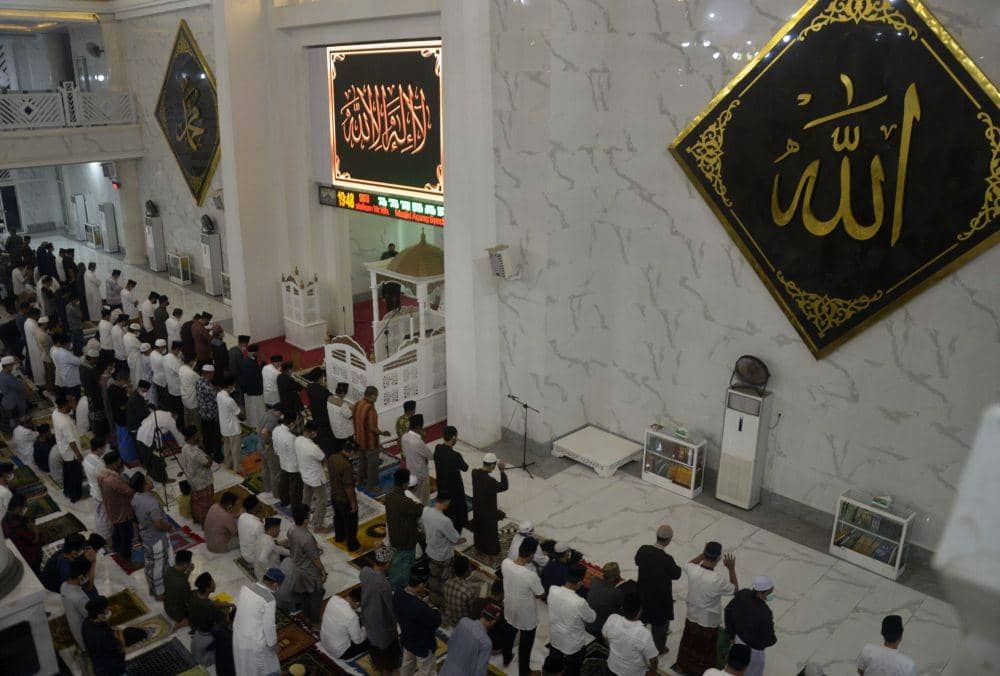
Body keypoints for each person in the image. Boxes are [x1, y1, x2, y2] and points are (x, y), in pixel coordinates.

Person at [674, 543, 738, 675]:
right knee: (706, 650)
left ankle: (682, 666)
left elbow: (688, 564)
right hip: (709, 622)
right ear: (719, 559)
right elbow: (735, 590)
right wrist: (731, 569)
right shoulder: (718, 580)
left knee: (687, 643)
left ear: (704, 554)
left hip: (691, 616)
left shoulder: (693, 570)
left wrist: (702, 554)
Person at [635, 524, 682, 653]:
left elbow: (637, 561)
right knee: (660, 625)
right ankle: (659, 648)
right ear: (668, 540)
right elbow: (677, 574)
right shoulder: (667, 559)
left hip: (643, 593)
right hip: (660, 599)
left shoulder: (643, 550)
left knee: (641, 619)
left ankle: (637, 641)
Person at [502, 536, 545, 674]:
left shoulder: (505, 563)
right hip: (526, 616)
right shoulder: (530, 575)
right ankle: (524, 672)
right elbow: (540, 593)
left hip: (509, 609)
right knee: (525, 646)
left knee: (509, 635)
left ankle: (506, 658)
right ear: (531, 555)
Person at [232, 567, 284, 676]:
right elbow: (269, 627)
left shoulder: (246, 587)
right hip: (254, 643)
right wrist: (273, 645)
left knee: (244, 667)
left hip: (238, 635)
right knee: (266, 667)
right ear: (275, 585)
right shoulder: (269, 600)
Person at [130, 471, 173, 599]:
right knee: (158, 566)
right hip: (156, 538)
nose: (150, 480)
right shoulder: (151, 503)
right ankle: (159, 592)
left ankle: (154, 588)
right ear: (144, 485)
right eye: (148, 479)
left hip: (146, 535)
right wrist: (169, 527)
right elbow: (158, 524)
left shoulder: (136, 497)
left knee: (151, 563)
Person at [549, 564, 597, 676]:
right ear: (580, 582)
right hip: (573, 646)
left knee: (556, 667)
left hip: (555, 637)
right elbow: (592, 618)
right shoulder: (579, 602)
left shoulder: (553, 590)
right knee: (573, 671)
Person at [360, 545, 402, 675]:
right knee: (389, 661)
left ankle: (376, 665)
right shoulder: (383, 585)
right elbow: (391, 609)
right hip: (383, 628)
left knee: (374, 647)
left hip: (368, 620)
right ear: (387, 564)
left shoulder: (365, 572)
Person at [723, 576, 777, 676]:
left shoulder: (743, 594)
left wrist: (731, 635)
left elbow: (728, 610)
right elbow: (770, 639)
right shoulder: (765, 613)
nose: (770, 594)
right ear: (762, 593)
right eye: (769, 592)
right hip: (754, 651)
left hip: (738, 641)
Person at [395, 570, 442, 676]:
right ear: (420, 584)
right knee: (427, 671)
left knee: (407, 665)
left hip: (407, 638)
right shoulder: (419, 608)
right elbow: (436, 621)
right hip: (422, 645)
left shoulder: (399, 592)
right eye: (425, 584)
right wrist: (434, 609)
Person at [422, 492, 466, 604]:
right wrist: (463, 539)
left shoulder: (426, 511)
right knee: (444, 581)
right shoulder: (444, 521)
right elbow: (455, 539)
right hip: (443, 556)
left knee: (433, 578)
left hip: (430, 551)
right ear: (446, 502)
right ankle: (442, 603)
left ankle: (432, 599)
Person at [288, 502, 328, 626]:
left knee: (304, 594)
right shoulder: (307, 537)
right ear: (306, 520)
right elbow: (316, 560)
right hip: (309, 572)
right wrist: (323, 571)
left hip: (297, 567)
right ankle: (315, 621)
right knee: (316, 595)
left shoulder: (291, 530)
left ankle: (306, 614)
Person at [385, 468, 424, 586]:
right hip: (405, 540)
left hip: (394, 535)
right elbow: (419, 510)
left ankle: (394, 582)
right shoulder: (404, 501)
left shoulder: (389, 495)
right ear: (405, 484)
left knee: (396, 562)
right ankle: (398, 588)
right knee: (402, 568)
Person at [188, 572, 235, 671]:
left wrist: (224, 604)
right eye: (213, 582)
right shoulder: (210, 609)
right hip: (205, 658)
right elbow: (225, 620)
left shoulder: (194, 594)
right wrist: (228, 615)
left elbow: (210, 603)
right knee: (230, 634)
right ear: (208, 588)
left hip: (196, 627)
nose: (215, 583)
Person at [605, 593, 660, 676]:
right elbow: (653, 659)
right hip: (633, 673)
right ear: (640, 611)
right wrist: (653, 673)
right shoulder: (644, 634)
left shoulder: (612, 619)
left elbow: (605, 638)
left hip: (612, 667)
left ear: (622, 608)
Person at [441, 599, 500, 676]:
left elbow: (450, 643)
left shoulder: (463, 621)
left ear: (482, 613)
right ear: (493, 622)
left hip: (445, 670)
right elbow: (479, 673)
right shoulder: (486, 643)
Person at [98, 451, 135, 561]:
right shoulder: (113, 479)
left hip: (111, 507)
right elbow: (128, 491)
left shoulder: (101, 475)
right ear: (115, 463)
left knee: (118, 530)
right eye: (119, 462)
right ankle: (126, 558)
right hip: (121, 511)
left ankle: (116, 547)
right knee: (127, 534)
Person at [354, 385, 390, 491]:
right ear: (372, 395)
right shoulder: (370, 408)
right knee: (372, 464)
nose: (377, 398)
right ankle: (372, 486)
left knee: (362, 462)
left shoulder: (358, 404)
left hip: (359, 439)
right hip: (370, 442)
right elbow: (372, 428)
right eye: (376, 396)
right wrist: (383, 433)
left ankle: (360, 481)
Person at [472, 453, 509, 556]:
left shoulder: (474, 473)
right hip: (488, 512)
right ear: (493, 466)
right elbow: (504, 486)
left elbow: (479, 470)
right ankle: (492, 551)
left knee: (479, 530)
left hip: (477, 509)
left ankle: (479, 547)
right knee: (490, 533)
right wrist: (502, 471)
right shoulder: (490, 481)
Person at [295, 421, 330, 532]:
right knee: (322, 500)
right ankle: (317, 524)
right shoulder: (313, 447)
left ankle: (303, 519)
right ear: (313, 432)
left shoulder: (298, 440)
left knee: (306, 499)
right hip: (316, 478)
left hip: (305, 475)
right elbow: (323, 458)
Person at [136, 405, 183, 484]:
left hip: (141, 434)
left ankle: (152, 472)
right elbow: (177, 435)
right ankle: (162, 479)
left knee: (149, 457)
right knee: (156, 460)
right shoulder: (169, 419)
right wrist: (184, 446)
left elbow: (160, 432)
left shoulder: (159, 414)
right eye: (176, 417)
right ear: (173, 414)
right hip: (147, 439)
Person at [82, 596, 128, 676]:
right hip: (113, 670)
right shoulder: (104, 636)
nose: (109, 612)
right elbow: (121, 651)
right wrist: (120, 635)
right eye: (106, 610)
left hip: (98, 667)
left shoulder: (86, 623)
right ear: (99, 615)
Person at [433, 425, 468, 531]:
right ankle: (454, 536)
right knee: (457, 513)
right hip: (454, 488)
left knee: (446, 511)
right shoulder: (455, 455)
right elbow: (465, 467)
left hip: (441, 485)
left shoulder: (438, 448)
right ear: (453, 438)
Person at [327, 438, 360, 550]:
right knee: (351, 523)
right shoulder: (346, 465)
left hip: (334, 495)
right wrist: (353, 503)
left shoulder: (332, 457)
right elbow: (348, 487)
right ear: (351, 452)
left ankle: (340, 537)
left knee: (338, 518)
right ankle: (352, 545)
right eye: (355, 453)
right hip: (344, 499)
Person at [319, 587, 368, 660]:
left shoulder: (333, 599)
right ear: (358, 603)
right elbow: (358, 641)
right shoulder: (352, 616)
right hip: (341, 652)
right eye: (360, 605)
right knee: (373, 641)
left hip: (324, 642)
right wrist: (366, 627)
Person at [53, 393, 84, 501]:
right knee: (76, 476)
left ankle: (67, 491)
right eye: (70, 402)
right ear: (65, 405)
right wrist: (79, 455)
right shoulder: (65, 423)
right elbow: (72, 442)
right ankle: (75, 496)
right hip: (71, 454)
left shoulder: (55, 412)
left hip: (64, 451)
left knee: (67, 473)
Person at [180, 426, 214, 524]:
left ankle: (197, 517)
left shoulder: (184, 448)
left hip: (192, 479)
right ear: (194, 436)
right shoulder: (195, 452)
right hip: (203, 481)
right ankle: (206, 522)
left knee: (197, 501)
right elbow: (208, 463)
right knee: (206, 502)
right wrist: (209, 456)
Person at [2, 493, 42, 573]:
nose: (25, 508)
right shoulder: (18, 526)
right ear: (17, 508)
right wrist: (35, 530)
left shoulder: (4, 516)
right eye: (24, 506)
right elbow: (34, 540)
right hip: (26, 556)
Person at [82, 435, 111, 540]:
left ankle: (102, 534)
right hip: (101, 493)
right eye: (104, 447)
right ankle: (105, 538)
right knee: (105, 518)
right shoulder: (99, 464)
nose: (105, 449)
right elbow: (105, 481)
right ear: (99, 448)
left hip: (93, 490)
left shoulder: (86, 458)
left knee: (99, 514)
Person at [400, 414, 433, 504]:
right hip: (421, 473)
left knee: (413, 496)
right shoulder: (418, 442)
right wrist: (422, 438)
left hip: (410, 470)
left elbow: (405, 454)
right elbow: (430, 456)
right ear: (419, 427)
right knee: (424, 499)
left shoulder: (404, 437)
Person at [273, 414, 302, 508]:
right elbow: (295, 453)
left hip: (283, 461)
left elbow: (275, 448)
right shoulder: (290, 437)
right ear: (292, 424)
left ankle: (284, 501)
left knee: (284, 484)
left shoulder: (276, 430)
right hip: (293, 466)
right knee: (295, 488)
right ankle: (295, 505)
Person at [442, 554, 478, 627]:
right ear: (467, 571)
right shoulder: (468, 591)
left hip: (450, 619)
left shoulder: (447, 582)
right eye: (470, 566)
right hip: (463, 624)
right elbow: (473, 612)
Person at [217, 377, 243, 473]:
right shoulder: (229, 400)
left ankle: (228, 463)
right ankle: (237, 467)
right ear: (230, 386)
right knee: (235, 449)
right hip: (233, 428)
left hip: (224, 427)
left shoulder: (219, 395)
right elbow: (238, 412)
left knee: (227, 447)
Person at [257, 404, 284, 496]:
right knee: (274, 471)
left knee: (264, 468)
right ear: (279, 411)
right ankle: (276, 493)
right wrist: (268, 443)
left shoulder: (266, 413)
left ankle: (267, 488)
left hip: (260, 445)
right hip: (268, 447)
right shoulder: (273, 419)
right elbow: (264, 432)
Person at [197, 364, 221, 461]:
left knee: (206, 435)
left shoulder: (200, 381)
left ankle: (208, 451)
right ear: (209, 374)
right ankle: (217, 456)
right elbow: (215, 397)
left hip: (203, 413)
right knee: (215, 436)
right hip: (211, 415)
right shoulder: (207, 385)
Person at [163, 550, 195, 624]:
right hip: (178, 614)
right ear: (185, 564)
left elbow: (181, 578)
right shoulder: (183, 584)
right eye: (189, 562)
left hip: (168, 606)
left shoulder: (169, 571)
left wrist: (188, 571)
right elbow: (187, 600)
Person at [238, 344, 264, 429]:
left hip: (248, 391)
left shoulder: (245, 361)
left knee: (251, 409)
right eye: (257, 352)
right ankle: (257, 425)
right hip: (254, 391)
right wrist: (261, 367)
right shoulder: (250, 363)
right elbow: (255, 375)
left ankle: (253, 424)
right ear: (254, 353)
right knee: (256, 409)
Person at [51, 333, 82, 399]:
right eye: (69, 343)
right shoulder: (65, 353)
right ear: (65, 343)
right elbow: (79, 361)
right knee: (74, 399)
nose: (70, 344)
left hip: (63, 378)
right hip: (71, 381)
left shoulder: (54, 350)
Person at [237, 495, 264, 566]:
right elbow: (263, 545)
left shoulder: (241, 516)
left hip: (244, 553)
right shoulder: (258, 525)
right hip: (253, 558)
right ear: (255, 507)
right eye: (258, 504)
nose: (260, 504)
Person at [327, 381, 354, 449]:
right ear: (342, 393)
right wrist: (353, 409)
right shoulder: (342, 404)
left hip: (335, 429)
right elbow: (350, 416)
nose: (344, 396)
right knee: (347, 447)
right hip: (344, 431)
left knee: (340, 446)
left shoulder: (329, 398)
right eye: (345, 394)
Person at [162, 340, 183, 417]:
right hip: (176, 388)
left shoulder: (166, 357)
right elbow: (181, 371)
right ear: (177, 349)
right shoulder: (172, 360)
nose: (180, 352)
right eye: (179, 350)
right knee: (179, 409)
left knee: (175, 407)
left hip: (171, 386)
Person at [380, 243, 401, 310]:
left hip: (396, 276)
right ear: (388, 248)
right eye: (391, 247)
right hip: (387, 275)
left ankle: (397, 307)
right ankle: (389, 309)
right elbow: (382, 263)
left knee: (397, 293)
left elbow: (399, 262)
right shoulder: (385, 254)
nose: (392, 249)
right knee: (388, 293)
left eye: (393, 247)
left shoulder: (397, 254)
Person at [150, 338, 168, 404]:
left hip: (156, 378)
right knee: (164, 398)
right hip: (162, 380)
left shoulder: (152, 353)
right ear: (160, 347)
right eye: (163, 347)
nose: (164, 349)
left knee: (159, 397)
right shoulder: (161, 359)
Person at [124, 323, 142, 388]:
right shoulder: (132, 338)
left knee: (133, 374)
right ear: (135, 331)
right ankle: (138, 387)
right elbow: (141, 346)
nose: (138, 333)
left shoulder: (125, 335)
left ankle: (134, 386)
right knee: (138, 375)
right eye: (138, 331)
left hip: (130, 358)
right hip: (136, 358)